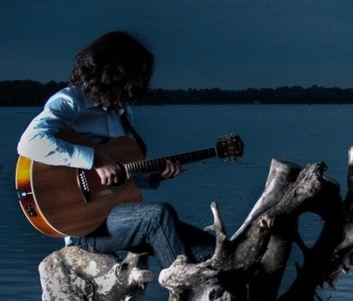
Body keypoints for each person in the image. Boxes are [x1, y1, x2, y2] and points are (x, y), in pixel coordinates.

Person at [17, 30, 216, 268]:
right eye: (136, 76)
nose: (140, 84)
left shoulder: (121, 113)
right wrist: (95, 160)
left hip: (118, 216)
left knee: (212, 248)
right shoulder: (70, 101)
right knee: (158, 215)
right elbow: (29, 142)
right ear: (112, 72)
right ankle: (184, 290)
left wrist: (154, 177)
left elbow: (118, 178)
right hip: (84, 226)